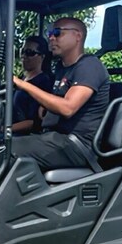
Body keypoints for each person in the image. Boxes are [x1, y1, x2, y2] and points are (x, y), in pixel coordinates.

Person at [11, 17, 109, 171]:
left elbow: (68, 108)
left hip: (75, 146)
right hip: (54, 138)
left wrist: (23, 85)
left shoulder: (89, 66)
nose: (51, 37)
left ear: (77, 36)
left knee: (6, 149)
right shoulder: (62, 68)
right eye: (50, 33)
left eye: (57, 33)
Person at [12, 35, 53, 135]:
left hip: (25, 136)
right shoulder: (22, 78)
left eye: (30, 53)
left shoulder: (44, 82)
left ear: (42, 56)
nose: (24, 56)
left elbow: (34, 122)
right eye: (23, 52)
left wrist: (4, 129)